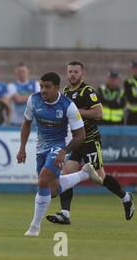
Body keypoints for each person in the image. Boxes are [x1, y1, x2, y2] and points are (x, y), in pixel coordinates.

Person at [46, 62, 134, 225]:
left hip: (90, 140)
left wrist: (79, 112)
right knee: (66, 175)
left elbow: (99, 113)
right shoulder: (65, 91)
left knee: (100, 178)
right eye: (70, 71)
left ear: (82, 74)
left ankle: (126, 197)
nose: (73, 74)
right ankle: (65, 214)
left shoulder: (88, 91)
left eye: (76, 72)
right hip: (76, 141)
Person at [17, 72, 103, 237]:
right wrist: (22, 148)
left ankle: (34, 227)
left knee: (43, 179)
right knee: (53, 191)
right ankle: (84, 173)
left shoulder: (68, 106)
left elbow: (81, 135)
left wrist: (64, 151)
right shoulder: (33, 100)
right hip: (41, 147)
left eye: (47, 87)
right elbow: (26, 123)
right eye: (41, 86)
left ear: (57, 88)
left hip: (59, 145)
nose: (43, 90)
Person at [124, 59, 137, 125]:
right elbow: (130, 98)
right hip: (132, 113)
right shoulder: (128, 82)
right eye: (134, 68)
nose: (135, 70)